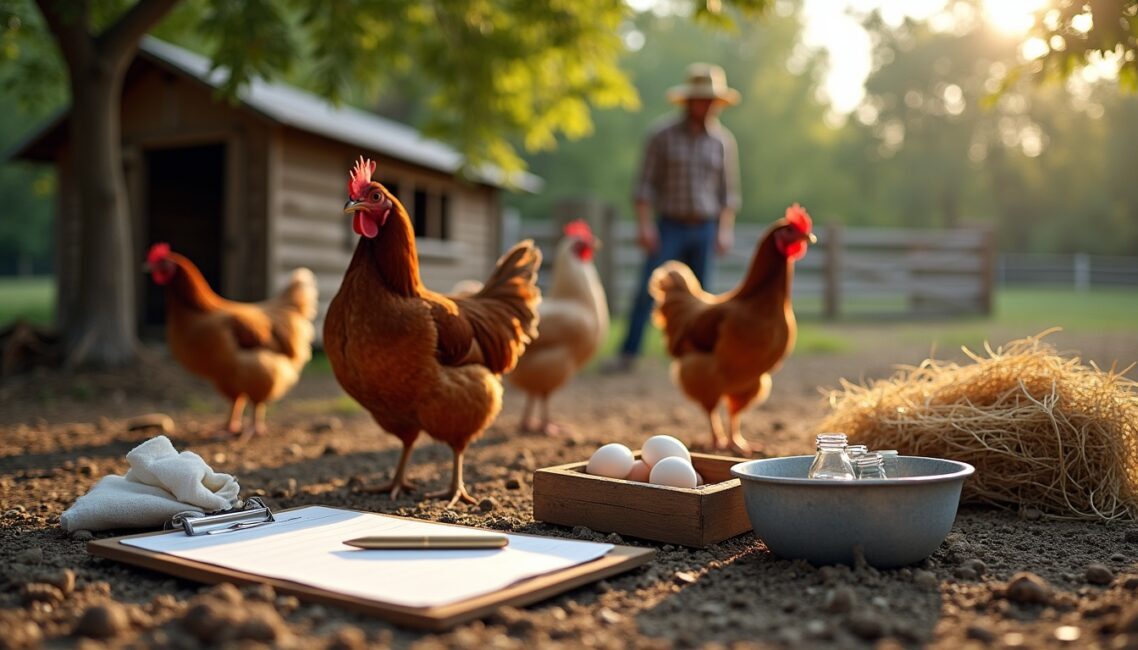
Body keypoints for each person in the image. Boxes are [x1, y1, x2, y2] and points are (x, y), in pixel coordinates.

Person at [605, 62, 742, 372]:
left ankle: (696, 356)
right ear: (688, 100)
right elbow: (644, 187)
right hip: (669, 227)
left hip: (705, 227)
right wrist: (645, 226)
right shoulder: (661, 135)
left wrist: (724, 230)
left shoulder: (723, 142)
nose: (705, 105)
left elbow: (728, 194)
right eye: (700, 99)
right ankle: (629, 353)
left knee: (702, 298)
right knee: (647, 290)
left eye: (710, 100)